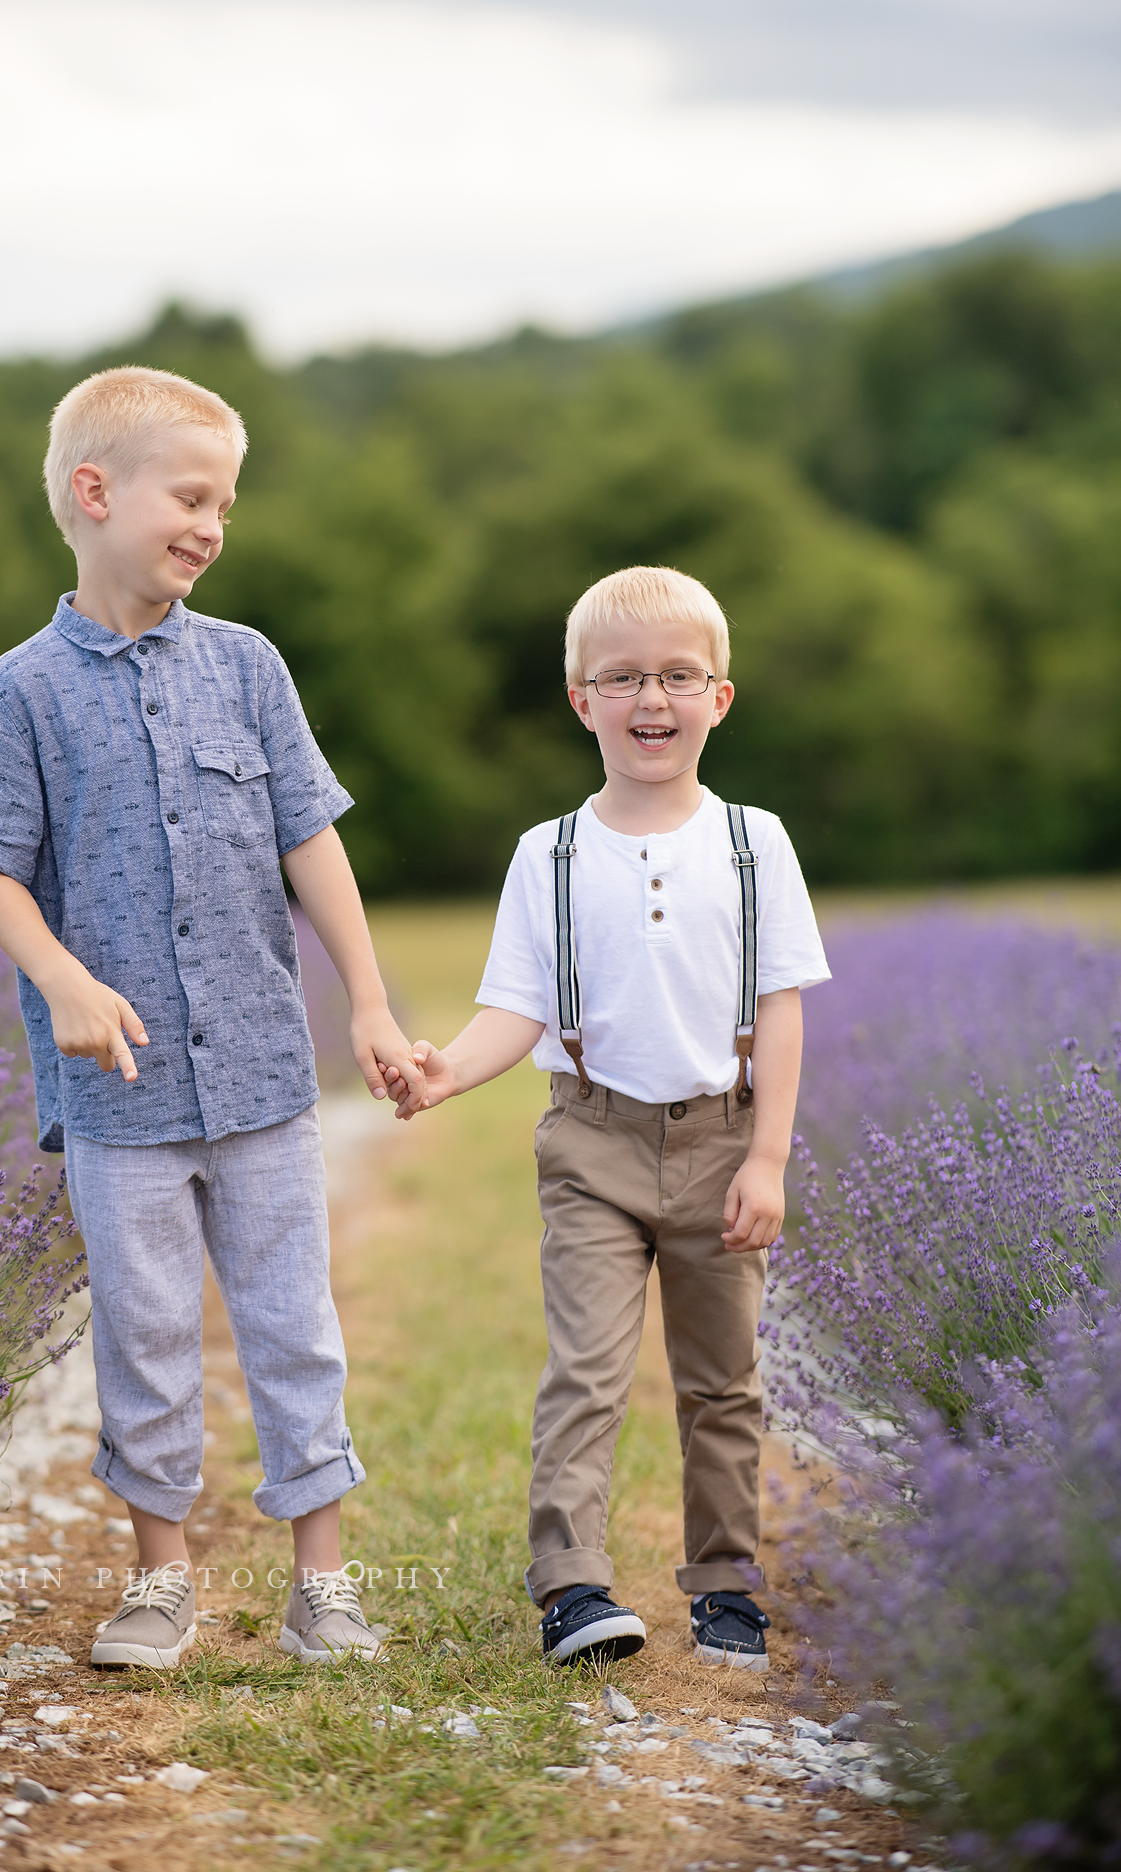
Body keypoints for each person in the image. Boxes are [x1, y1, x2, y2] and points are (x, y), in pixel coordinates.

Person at [0, 365, 424, 1669]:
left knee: (291, 1321)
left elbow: (309, 837)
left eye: (227, 501)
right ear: (95, 493)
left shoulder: (249, 669)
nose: (213, 523)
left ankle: (324, 1581)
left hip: (263, 1073)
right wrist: (66, 980)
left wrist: (368, 998)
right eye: (191, 494)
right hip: (121, 1097)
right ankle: (161, 1580)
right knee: (145, 1329)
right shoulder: (22, 690)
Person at [386, 565, 829, 1671]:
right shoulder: (552, 853)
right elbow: (518, 1008)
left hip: (724, 1137)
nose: (652, 700)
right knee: (585, 1370)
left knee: (724, 1382)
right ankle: (572, 1587)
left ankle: (726, 1586)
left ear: (719, 697)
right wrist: (447, 1073)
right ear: (580, 698)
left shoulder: (753, 842)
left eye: (679, 676)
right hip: (593, 1141)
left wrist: (768, 1157)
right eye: (622, 677)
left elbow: (778, 1011)